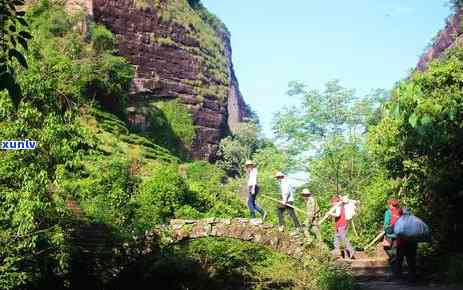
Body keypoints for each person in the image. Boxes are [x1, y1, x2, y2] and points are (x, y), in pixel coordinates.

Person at [394, 209, 418, 283]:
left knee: (399, 261)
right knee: (411, 261)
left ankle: (399, 277)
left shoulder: (400, 220)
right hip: (413, 243)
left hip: (402, 244)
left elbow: (397, 231)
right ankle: (412, 277)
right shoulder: (414, 220)